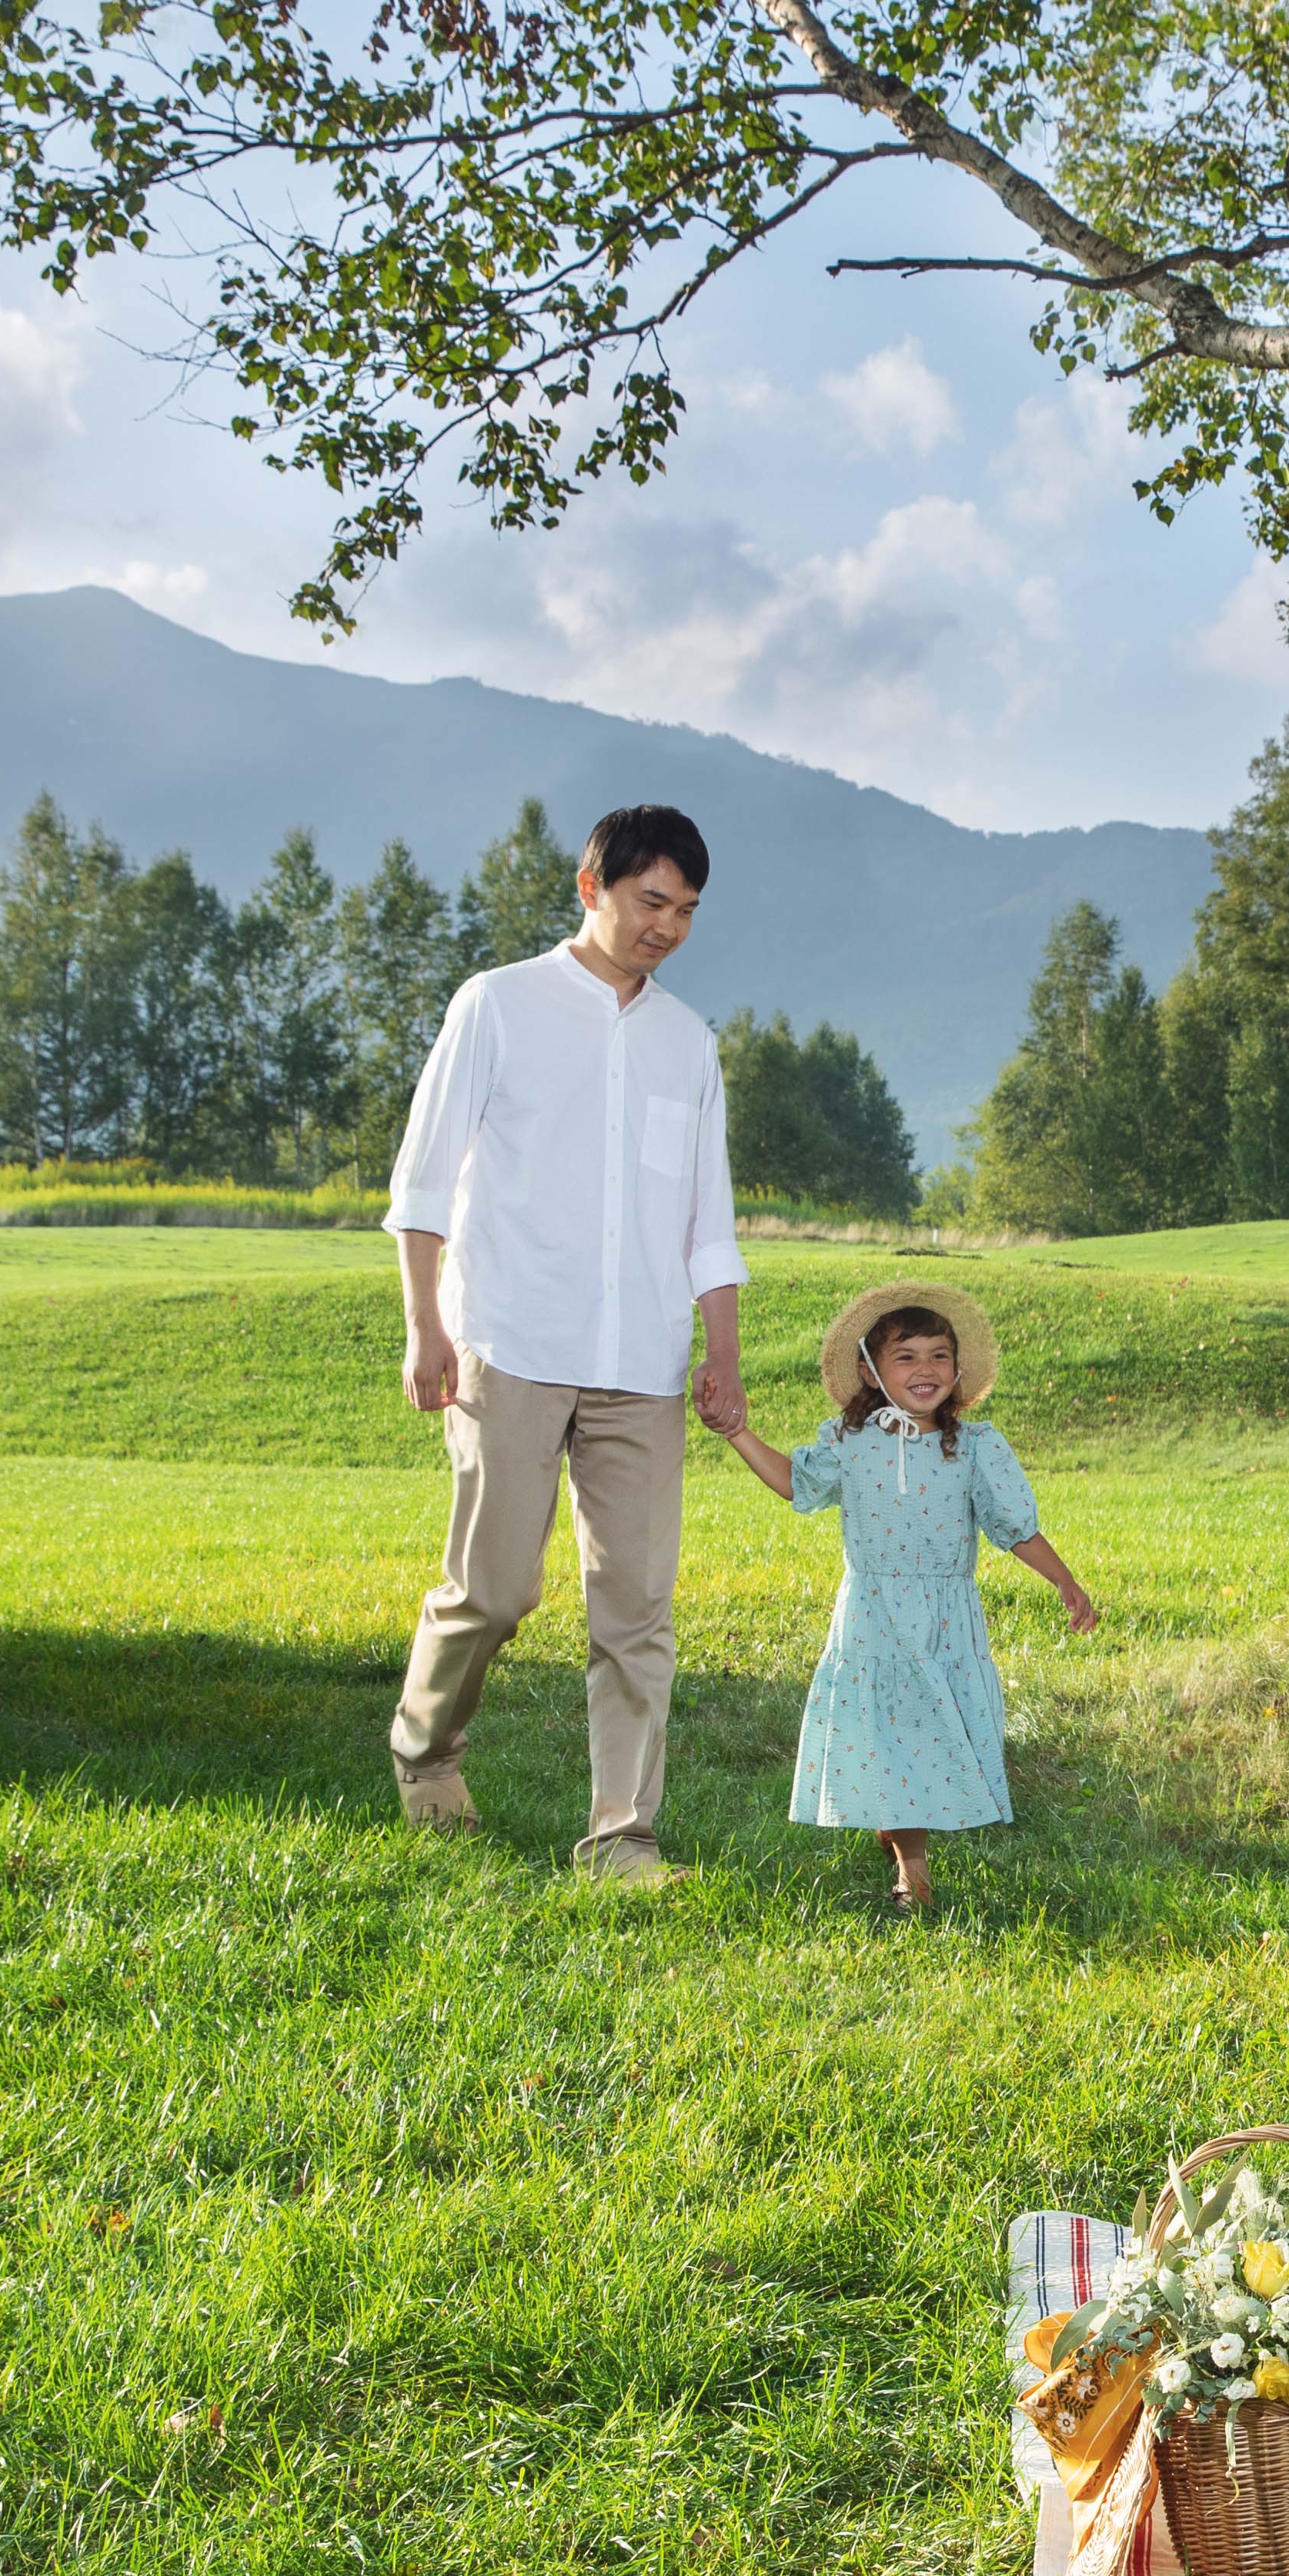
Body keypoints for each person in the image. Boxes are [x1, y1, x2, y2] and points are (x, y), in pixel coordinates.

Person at [377, 803, 752, 1878]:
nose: (668, 927)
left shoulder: (689, 1042)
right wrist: (425, 1326)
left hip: (640, 1363)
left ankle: (621, 1835)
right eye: (651, 902)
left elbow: (708, 1224)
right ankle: (424, 1748)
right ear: (591, 886)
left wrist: (719, 1356)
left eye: (685, 910)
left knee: (637, 1612)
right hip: (511, 1339)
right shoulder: (496, 1005)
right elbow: (422, 1183)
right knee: (495, 1590)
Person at [702, 1283, 1095, 1910]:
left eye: (940, 1355)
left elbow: (1014, 1527)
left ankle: (898, 1818)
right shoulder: (849, 1442)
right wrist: (736, 1432)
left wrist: (1065, 1582)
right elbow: (794, 1483)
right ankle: (914, 1873)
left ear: (959, 1370)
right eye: (905, 1356)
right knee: (888, 1730)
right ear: (869, 1370)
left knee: (932, 1728)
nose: (926, 1369)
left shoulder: (975, 1447)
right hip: (874, 1618)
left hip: (945, 1620)